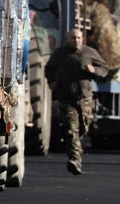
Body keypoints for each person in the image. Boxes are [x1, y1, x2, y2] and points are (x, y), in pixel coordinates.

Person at [45, 28, 110, 175]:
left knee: (83, 129)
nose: (76, 41)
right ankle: (74, 160)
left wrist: (93, 70)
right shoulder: (60, 54)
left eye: (79, 38)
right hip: (66, 99)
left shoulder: (89, 53)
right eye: (73, 38)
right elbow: (49, 68)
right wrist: (51, 81)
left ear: (83, 39)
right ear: (67, 39)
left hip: (84, 99)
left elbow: (104, 68)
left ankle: (76, 150)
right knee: (71, 130)